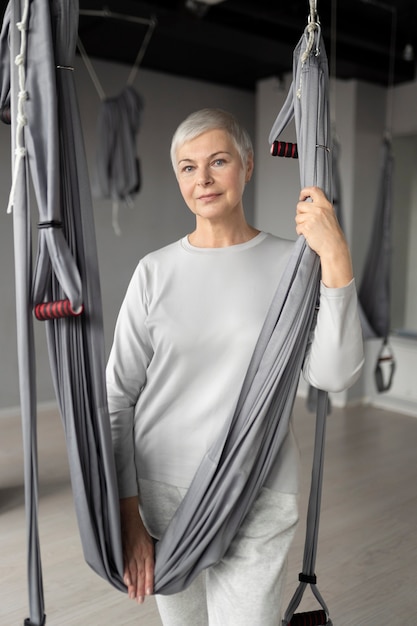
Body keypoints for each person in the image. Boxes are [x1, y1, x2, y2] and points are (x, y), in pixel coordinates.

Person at [106, 107, 364, 626]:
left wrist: (335, 258)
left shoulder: (294, 265)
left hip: (259, 490)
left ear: (248, 165)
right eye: (187, 167)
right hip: (162, 500)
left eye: (218, 161)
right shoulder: (153, 272)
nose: (202, 179)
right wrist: (129, 515)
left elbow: (333, 377)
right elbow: (118, 397)